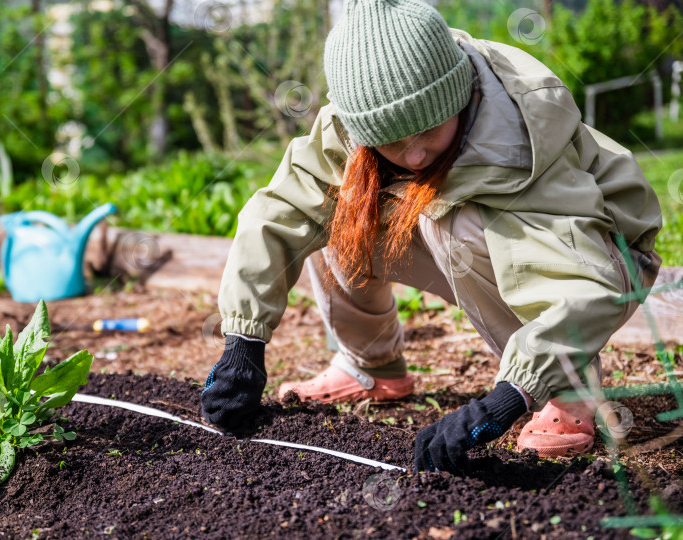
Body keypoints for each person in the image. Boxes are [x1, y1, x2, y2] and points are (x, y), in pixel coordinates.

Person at [199, 0, 662, 474]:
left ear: (458, 95)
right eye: (392, 142)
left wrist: (510, 395)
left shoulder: (521, 141)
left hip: (602, 259)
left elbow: (585, 287)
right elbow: (279, 212)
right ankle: (370, 367)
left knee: (451, 226)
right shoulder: (354, 121)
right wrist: (243, 341)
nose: (416, 155)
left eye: (429, 129)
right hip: (504, 246)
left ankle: (568, 391)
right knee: (340, 207)